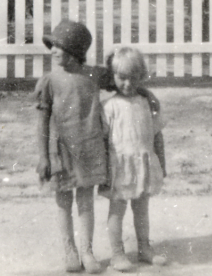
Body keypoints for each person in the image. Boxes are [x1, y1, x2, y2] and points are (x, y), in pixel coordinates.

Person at [36, 20, 158, 274]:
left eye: (59, 46)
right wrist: (43, 157)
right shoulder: (49, 80)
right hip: (60, 151)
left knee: (85, 203)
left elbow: (123, 79)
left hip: (89, 148)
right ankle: (69, 249)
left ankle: (87, 251)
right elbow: (42, 121)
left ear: (74, 50)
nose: (53, 51)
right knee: (62, 203)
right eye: (53, 46)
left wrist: (145, 92)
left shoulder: (91, 75)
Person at [101, 46, 168, 272]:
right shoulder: (109, 107)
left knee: (142, 209)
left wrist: (162, 164)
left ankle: (144, 248)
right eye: (121, 78)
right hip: (119, 167)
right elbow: (101, 140)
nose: (127, 84)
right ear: (113, 77)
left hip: (143, 165)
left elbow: (157, 136)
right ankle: (117, 253)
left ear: (141, 77)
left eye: (133, 78)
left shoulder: (147, 104)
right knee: (117, 210)